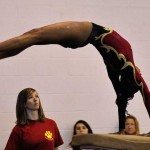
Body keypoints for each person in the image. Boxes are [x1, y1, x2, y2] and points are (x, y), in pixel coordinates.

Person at [0, 21, 150, 132]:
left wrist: (121, 131)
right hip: (86, 36)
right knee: (33, 38)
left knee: (34, 35)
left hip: (86, 33)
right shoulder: (128, 69)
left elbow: (121, 100)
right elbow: (147, 96)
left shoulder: (117, 70)